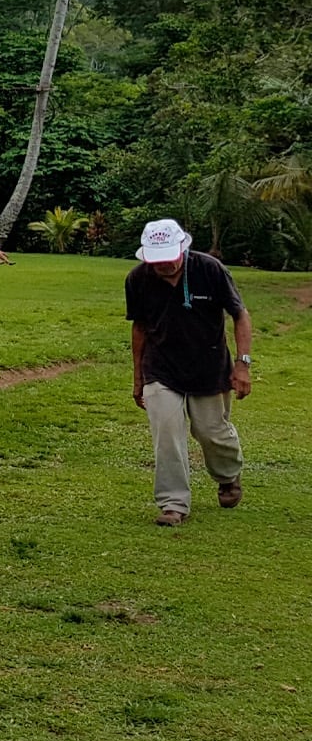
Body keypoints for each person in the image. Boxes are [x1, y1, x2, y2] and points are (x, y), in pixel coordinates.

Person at [126, 218, 253, 527]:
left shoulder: (210, 269)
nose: (165, 265)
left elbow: (240, 314)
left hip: (209, 366)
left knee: (211, 432)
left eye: (169, 258)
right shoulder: (137, 279)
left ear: (182, 248)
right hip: (161, 367)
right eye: (157, 261)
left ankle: (227, 475)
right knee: (167, 434)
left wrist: (242, 364)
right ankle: (173, 504)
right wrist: (138, 377)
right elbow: (139, 327)